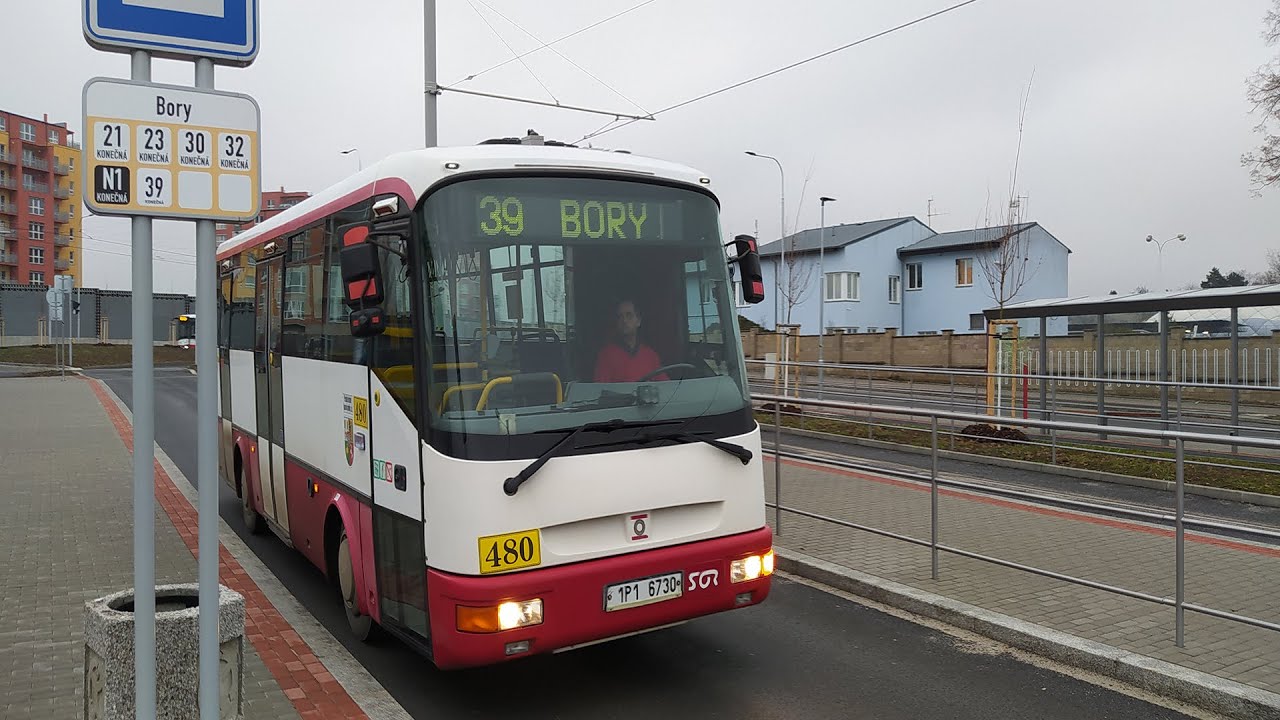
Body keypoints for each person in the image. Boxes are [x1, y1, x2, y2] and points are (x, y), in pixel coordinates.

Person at [594, 299, 668, 382]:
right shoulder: (606, 355)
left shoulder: (651, 355)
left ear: (638, 321)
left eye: (629, 315)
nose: (624, 321)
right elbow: (600, 390)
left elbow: (665, 388)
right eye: (620, 317)